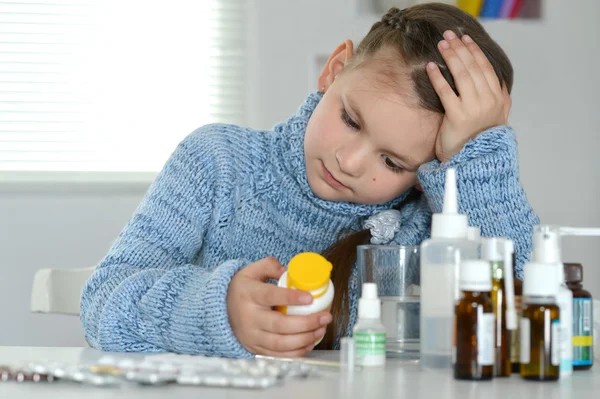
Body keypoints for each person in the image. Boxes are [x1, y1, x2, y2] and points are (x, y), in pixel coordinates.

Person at [80, 3, 539, 358]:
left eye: (394, 162)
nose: (351, 161)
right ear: (334, 69)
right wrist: (215, 311)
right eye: (351, 120)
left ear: (426, 173)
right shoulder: (218, 163)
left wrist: (479, 158)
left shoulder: (430, 231)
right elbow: (102, 301)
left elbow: (535, 330)